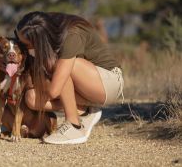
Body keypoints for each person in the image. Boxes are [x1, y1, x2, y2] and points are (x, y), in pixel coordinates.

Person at [14, 11, 124, 144]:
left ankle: (74, 126)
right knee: (32, 98)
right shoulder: (50, 30)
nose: (24, 48)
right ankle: (85, 111)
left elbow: (54, 91)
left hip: (109, 81)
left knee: (63, 67)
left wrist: (42, 75)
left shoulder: (72, 34)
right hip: (84, 85)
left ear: (40, 40)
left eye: (26, 45)